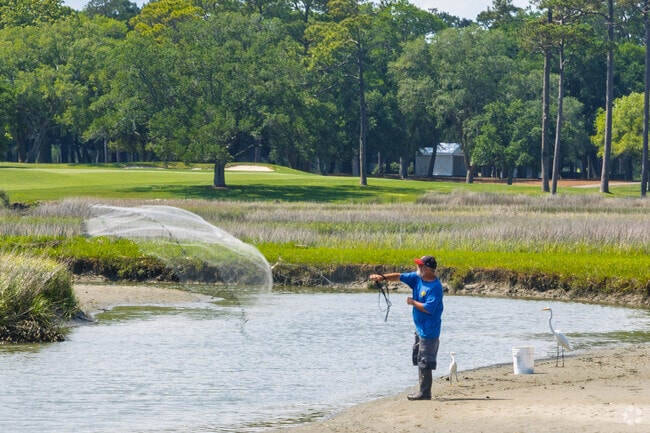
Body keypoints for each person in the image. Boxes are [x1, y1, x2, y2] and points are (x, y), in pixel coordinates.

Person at [369, 255, 444, 401]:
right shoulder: (417, 278)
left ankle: (425, 393)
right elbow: (399, 276)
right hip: (420, 327)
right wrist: (382, 277)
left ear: (428, 269)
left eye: (420, 265)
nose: (417, 267)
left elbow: (429, 308)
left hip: (430, 330)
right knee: (418, 357)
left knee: (425, 361)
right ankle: (423, 390)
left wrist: (412, 302)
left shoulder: (435, 287)